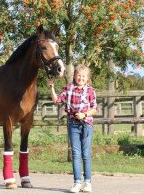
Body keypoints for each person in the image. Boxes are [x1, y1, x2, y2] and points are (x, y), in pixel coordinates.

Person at [48, 64, 97, 193]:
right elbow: (57, 101)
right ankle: (77, 182)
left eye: (83, 76)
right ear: (74, 76)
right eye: (78, 75)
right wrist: (51, 88)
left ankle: (87, 182)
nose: (80, 78)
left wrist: (84, 114)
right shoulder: (69, 89)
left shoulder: (90, 91)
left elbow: (94, 109)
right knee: (76, 154)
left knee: (86, 154)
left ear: (87, 78)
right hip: (73, 125)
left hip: (86, 125)